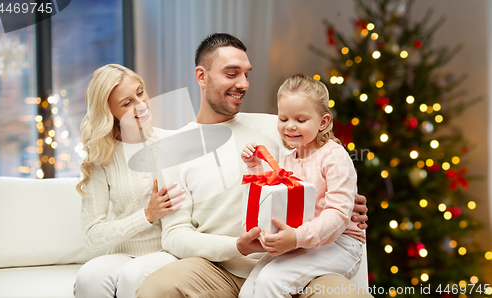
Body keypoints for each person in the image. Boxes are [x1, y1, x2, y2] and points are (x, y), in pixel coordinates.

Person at [137, 33, 371, 298]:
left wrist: (350, 203)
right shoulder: (174, 149)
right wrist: (237, 246)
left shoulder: (281, 126)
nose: (243, 84)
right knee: (156, 288)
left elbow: (319, 177)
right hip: (222, 268)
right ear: (201, 76)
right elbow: (175, 235)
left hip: (299, 256)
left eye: (246, 74)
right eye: (232, 73)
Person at [239, 74, 365, 297]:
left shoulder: (334, 157)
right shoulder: (287, 160)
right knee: (248, 291)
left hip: (340, 245)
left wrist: (296, 238)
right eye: (283, 119)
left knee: (270, 282)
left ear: (323, 122)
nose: (290, 127)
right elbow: (270, 193)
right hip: (301, 241)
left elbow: (337, 215)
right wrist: (255, 167)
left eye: (300, 120)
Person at [73, 64, 185, 298]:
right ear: (109, 112)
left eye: (140, 92)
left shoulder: (171, 143)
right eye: (127, 103)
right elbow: (92, 234)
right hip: (122, 253)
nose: (141, 104)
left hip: (166, 250)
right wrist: (146, 215)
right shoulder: (101, 156)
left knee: (133, 274)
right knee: (89, 276)